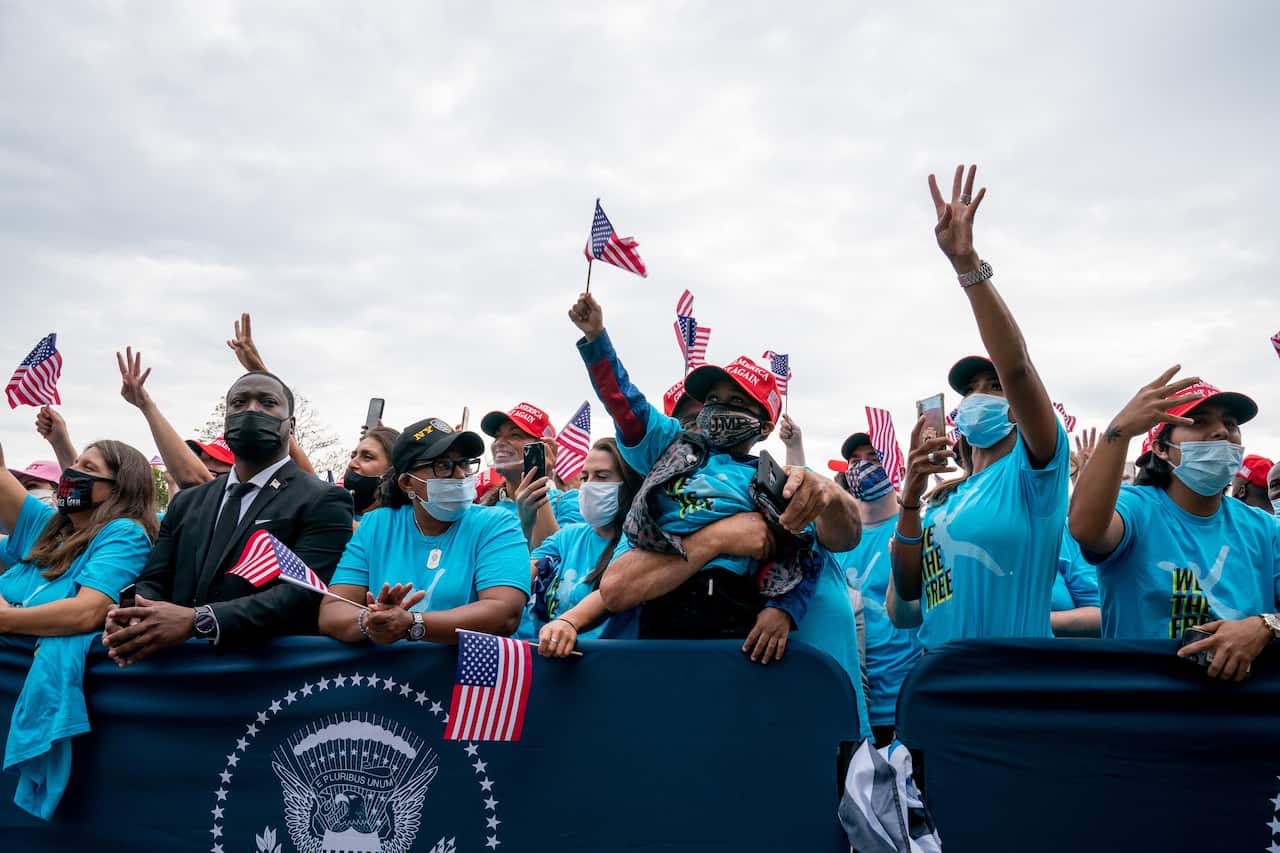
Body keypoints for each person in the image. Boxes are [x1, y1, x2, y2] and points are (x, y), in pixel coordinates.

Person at [888, 164, 1069, 649]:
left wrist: (967, 265)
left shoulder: (1036, 475)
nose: (983, 394)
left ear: (1017, 408)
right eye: (972, 389)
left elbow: (1019, 369)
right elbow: (908, 593)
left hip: (1012, 689)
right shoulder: (945, 500)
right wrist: (910, 492)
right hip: (939, 686)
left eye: (994, 386)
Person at [102, 371, 353, 663]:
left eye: (268, 402)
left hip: (262, 677)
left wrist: (199, 620)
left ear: (291, 425)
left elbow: (302, 596)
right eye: (239, 402)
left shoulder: (324, 500)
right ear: (226, 420)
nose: (251, 410)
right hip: (174, 674)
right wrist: (133, 614)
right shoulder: (187, 501)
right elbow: (155, 578)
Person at [1068, 372, 1280, 680]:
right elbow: (1086, 529)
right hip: (1145, 711)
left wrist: (1264, 625)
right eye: (1199, 421)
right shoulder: (1135, 508)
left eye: (1231, 423)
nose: (1221, 431)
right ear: (1161, 448)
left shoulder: (1263, 529)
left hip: (1241, 716)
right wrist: (1120, 431)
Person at [318, 418, 529, 645]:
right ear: (407, 482)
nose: (459, 475)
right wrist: (371, 621)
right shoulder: (376, 525)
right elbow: (332, 611)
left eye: (464, 463)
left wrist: (412, 623)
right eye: (443, 465)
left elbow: (505, 613)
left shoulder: (496, 524)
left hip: (466, 676)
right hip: (392, 677)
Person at [0, 440, 156, 635]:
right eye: (75, 463)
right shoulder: (46, 524)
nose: (71, 472)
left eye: (88, 468)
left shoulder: (125, 533)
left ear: (118, 489)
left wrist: (5, 618)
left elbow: (87, 613)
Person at [831, 430, 922, 747]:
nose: (862, 466)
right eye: (854, 460)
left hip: (903, 701)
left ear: (894, 466)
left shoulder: (916, 530)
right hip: (849, 698)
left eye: (873, 458)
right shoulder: (836, 538)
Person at [528, 438, 643, 655]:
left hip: (607, 668)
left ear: (630, 483)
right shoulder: (568, 537)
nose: (589, 485)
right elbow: (521, 579)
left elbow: (609, 594)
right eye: (585, 477)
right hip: (550, 664)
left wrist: (568, 622)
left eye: (602, 476)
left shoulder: (642, 542)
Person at [115, 346, 232, 488]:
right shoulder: (189, 506)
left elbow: (196, 478)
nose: (202, 465)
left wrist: (146, 405)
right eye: (201, 458)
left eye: (217, 461)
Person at [479, 403, 582, 547]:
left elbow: (555, 562)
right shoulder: (483, 510)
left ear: (544, 448)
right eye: (497, 436)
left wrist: (537, 478)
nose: (500, 443)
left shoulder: (569, 503)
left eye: (515, 435)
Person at [342, 426, 400, 520]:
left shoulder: (403, 523)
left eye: (367, 457)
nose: (352, 464)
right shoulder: (333, 512)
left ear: (392, 469)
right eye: (353, 456)